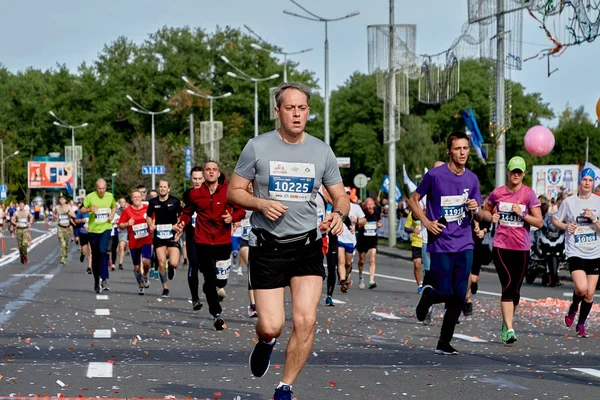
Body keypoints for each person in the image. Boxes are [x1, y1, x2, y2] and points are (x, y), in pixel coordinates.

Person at [227, 81, 349, 400]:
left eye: (302, 108)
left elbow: (341, 196)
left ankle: (285, 386)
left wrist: (338, 214)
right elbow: (234, 191)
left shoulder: (321, 151)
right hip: (268, 247)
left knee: (306, 320)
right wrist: (260, 204)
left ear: (308, 111)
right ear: (277, 111)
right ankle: (266, 343)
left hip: (306, 246)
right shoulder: (257, 147)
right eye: (290, 108)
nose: (297, 114)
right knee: (271, 326)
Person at [409, 131, 487, 356]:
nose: (462, 153)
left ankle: (444, 341)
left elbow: (480, 215)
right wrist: (426, 222)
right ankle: (428, 297)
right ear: (449, 151)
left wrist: (476, 209)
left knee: (460, 295)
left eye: (465, 149)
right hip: (441, 242)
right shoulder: (434, 176)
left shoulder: (471, 178)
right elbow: (413, 200)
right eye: (457, 149)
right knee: (445, 290)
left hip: (465, 243)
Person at [174, 162, 245, 330]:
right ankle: (216, 314)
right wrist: (181, 224)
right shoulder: (195, 194)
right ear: (204, 174)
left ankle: (214, 289)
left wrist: (232, 217)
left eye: (214, 170)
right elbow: (187, 213)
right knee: (209, 278)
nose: (211, 172)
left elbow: (241, 210)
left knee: (221, 280)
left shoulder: (228, 192)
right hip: (202, 241)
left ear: (219, 173)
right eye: (208, 170)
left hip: (223, 241)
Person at [484, 157, 543, 343]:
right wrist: (490, 217)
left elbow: (539, 222)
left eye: (520, 171)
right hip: (501, 246)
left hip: (521, 248)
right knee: (508, 285)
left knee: (516, 291)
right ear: (508, 172)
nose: (516, 174)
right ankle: (510, 330)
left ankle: (505, 321)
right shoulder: (498, 193)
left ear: (524, 174)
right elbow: (486, 211)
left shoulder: (529, 195)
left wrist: (523, 214)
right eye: (513, 171)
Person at [553, 168, 600, 338]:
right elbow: (556, 219)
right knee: (581, 288)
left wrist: (594, 219)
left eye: (590, 180)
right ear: (579, 182)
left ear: (594, 183)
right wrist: (566, 226)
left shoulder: (598, 202)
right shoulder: (569, 202)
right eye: (584, 179)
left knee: (589, 294)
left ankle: (581, 323)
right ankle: (573, 307)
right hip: (575, 250)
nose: (587, 183)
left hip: (595, 252)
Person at [80, 179, 117, 293]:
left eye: (103, 188)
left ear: (106, 188)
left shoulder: (110, 196)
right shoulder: (90, 197)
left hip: (106, 228)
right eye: (99, 189)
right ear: (96, 188)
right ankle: (97, 280)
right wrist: (88, 209)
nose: (101, 191)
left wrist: (112, 214)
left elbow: (114, 206)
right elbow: (81, 210)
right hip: (93, 230)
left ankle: (104, 278)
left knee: (103, 251)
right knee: (95, 256)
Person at [147, 180, 182, 297]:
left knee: (174, 263)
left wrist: (179, 227)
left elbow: (181, 216)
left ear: (169, 189)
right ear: (158, 188)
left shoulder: (175, 201)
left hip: (172, 235)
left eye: (165, 187)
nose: (162, 189)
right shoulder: (153, 202)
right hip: (159, 236)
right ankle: (165, 288)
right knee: (161, 263)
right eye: (161, 187)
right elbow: (148, 216)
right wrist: (151, 224)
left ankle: (171, 269)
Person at [119, 189, 153, 295]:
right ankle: (140, 285)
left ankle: (145, 275)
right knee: (137, 267)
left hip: (146, 239)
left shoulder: (147, 209)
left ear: (142, 197)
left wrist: (151, 223)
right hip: (134, 242)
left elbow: (154, 219)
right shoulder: (127, 211)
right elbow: (120, 225)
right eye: (135, 197)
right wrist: (127, 223)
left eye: (139, 196)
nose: (137, 198)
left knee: (146, 262)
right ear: (131, 199)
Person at [181, 167, 204, 310]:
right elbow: (186, 214)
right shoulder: (187, 194)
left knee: (210, 266)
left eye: (199, 178)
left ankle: (216, 289)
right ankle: (195, 298)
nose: (197, 181)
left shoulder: (211, 193)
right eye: (194, 179)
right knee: (194, 264)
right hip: (192, 235)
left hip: (209, 235)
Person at [338, 188, 366, 293]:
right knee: (341, 260)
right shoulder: (336, 207)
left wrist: (357, 221)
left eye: (347, 194)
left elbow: (364, 220)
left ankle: (346, 275)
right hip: (339, 237)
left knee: (348, 263)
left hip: (350, 239)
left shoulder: (355, 207)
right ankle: (343, 281)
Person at [356, 198, 381, 290]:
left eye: (371, 205)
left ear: (374, 205)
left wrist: (379, 224)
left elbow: (379, 221)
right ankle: (361, 277)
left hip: (373, 240)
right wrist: (360, 224)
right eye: (368, 205)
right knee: (362, 260)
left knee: (372, 259)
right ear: (365, 205)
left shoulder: (377, 212)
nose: (370, 207)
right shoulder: (362, 213)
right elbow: (358, 225)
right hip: (362, 240)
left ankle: (371, 280)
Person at [404, 207, 424, 293]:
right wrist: (413, 230)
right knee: (417, 264)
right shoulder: (412, 214)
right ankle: (419, 285)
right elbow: (406, 228)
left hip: (428, 243)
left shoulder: (431, 212)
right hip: (416, 242)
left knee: (430, 267)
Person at [53, 196, 75, 264]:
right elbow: (54, 215)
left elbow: (74, 215)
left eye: (63, 199)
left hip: (67, 227)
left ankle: (65, 256)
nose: (62, 201)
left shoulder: (68, 207)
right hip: (60, 227)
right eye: (60, 199)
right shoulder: (57, 207)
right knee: (62, 242)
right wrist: (55, 217)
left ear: (65, 200)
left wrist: (68, 213)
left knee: (66, 244)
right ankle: (62, 257)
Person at [116, 197, 129, 270]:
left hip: (128, 230)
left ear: (126, 203)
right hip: (120, 230)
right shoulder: (117, 211)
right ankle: (118, 262)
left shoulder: (128, 210)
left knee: (122, 246)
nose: (122, 204)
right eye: (120, 202)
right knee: (121, 246)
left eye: (123, 202)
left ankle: (120, 263)